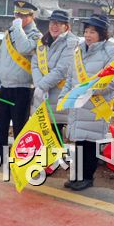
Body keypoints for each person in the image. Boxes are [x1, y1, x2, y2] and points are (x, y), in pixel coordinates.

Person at [58, 14, 114, 191]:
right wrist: (65, 96)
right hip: (79, 105)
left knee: (91, 142)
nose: (88, 35)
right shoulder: (79, 50)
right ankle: (76, 176)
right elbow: (71, 77)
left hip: (96, 105)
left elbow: (112, 82)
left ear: (102, 33)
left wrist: (89, 91)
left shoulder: (110, 52)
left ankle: (87, 177)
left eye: (92, 32)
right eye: (86, 31)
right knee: (79, 142)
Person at [0, 0, 42, 166]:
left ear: (31, 17)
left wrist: (18, 28)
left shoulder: (36, 35)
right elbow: (0, 58)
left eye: (23, 15)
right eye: (17, 14)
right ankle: (0, 155)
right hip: (5, 87)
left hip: (23, 88)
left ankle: (20, 158)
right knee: (2, 124)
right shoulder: (10, 32)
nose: (18, 17)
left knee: (20, 126)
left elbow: (24, 48)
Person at [31, 10, 78, 139]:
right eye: (52, 23)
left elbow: (62, 70)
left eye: (59, 23)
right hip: (41, 97)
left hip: (57, 95)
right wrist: (39, 85)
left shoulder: (71, 43)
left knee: (54, 137)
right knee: (41, 136)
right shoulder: (43, 41)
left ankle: (55, 160)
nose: (54, 26)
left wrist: (42, 86)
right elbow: (35, 64)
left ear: (66, 27)